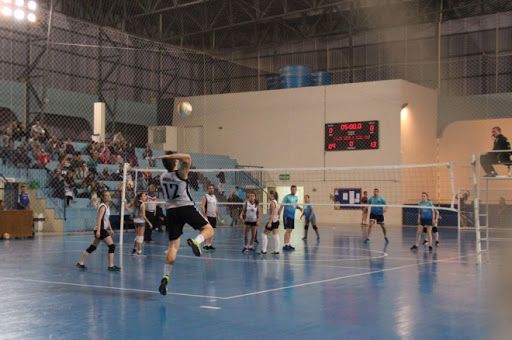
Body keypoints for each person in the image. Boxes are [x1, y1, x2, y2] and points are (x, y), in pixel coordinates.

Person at [156, 151, 215, 296]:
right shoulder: (180, 174)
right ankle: (197, 241)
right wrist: (172, 156)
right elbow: (188, 158)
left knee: (173, 247)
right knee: (209, 229)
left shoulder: (162, 177)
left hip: (171, 211)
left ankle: (165, 277)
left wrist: (167, 159)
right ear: (175, 161)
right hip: (185, 207)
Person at [76, 191, 121, 271]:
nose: (108, 197)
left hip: (102, 229)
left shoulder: (107, 207)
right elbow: (99, 219)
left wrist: (110, 229)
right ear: (103, 198)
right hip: (101, 229)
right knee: (112, 246)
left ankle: (80, 262)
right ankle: (111, 266)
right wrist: (98, 231)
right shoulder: (103, 206)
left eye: (109, 195)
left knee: (93, 247)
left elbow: (107, 219)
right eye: (106, 195)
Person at [278, 185, 303, 251]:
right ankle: (285, 245)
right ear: (290, 190)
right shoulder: (287, 197)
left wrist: (300, 208)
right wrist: (279, 214)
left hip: (292, 216)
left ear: (296, 190)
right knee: (288, 230)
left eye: (295, 189)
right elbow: (282, 205)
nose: (294, 190)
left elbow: (295, 205)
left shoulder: (296, 197)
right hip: (287, 215)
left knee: (290, 230)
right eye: (293, 189)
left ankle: (288, 244)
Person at [260, 191, 280, 255]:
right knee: (275, 234)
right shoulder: (276, 202)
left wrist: (270, 222)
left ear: (272, 195)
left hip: (272, 221)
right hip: (276, 221)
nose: (268, 196)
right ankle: (276, 250)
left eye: (269, 195)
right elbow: (278, 212)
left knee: (264, 234)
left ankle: (264, 250)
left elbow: (272, 214)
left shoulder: (272, 203)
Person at [201, 184, 218, 250]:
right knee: (207, 230)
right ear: (208, 189)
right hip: (207, 216)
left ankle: (209, 244)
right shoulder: (205, 196)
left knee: (212, 231)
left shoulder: (214, 197)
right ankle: (205, 245)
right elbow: (202, 206)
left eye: (212, 188)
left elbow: (216, 206)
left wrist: (217, 214)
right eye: (210, 188)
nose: (211, 189)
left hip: (214, 216)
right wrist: (205, 215)